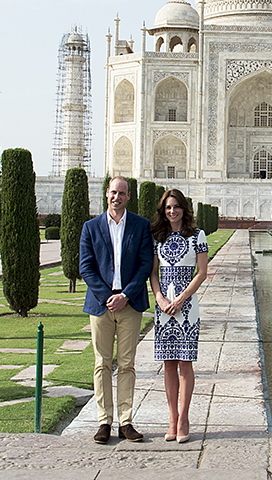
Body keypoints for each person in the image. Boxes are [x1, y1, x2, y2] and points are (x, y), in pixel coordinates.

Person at [79, 176, 154, 444]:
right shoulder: (91, 227)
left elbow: (145, 265)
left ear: (128, 196)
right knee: (101, 363)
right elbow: (86, 267)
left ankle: (125, 420)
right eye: (113, 192)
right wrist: (107, 296)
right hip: (101, 305)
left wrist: (125, 295)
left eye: (122, 193)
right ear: (106, 194)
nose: (116, 197)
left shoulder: (140, 226)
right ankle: (103, 421)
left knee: (127, 364)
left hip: (130, 303)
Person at [149, 188, 208, 444]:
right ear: (163, 211)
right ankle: (172, 418)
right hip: (163, 308)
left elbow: (202, 273)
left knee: (185, 363)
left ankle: (184, 418)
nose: (172, 211)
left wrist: (181, 299)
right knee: (168, 364)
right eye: (168, 208)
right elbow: (153, 274)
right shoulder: (157, 237)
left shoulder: (197, 236)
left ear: (184, 208)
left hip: (187, 306)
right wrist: (160, 299)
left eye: (176, 207)